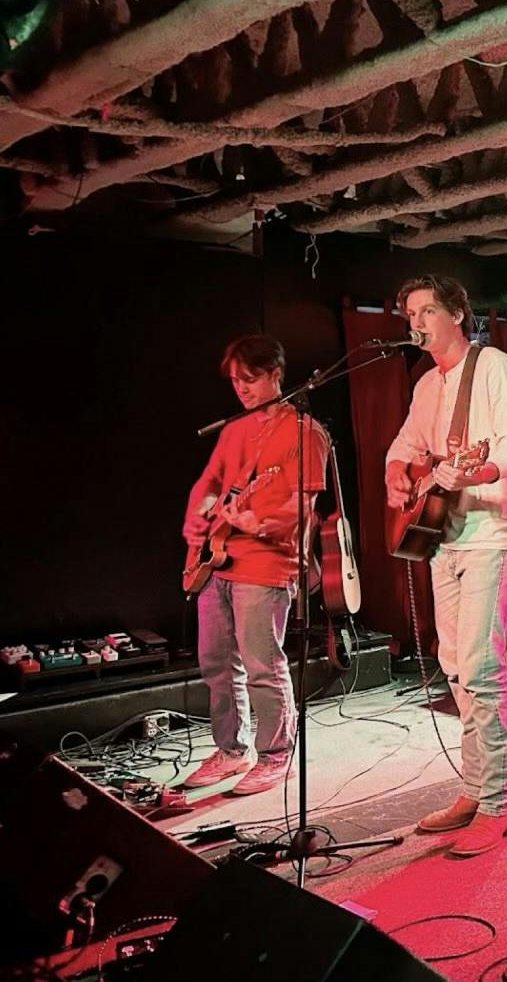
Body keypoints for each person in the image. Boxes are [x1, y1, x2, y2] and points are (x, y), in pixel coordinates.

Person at [384, 275, 507, 858]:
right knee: (453, 665)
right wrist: (398, 472)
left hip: (492, 534)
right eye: (408, 314)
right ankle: (475, 788)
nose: (414, 322)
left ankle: (500, 804)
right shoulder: (426, 385)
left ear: (455, 313)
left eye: (423, 310)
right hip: (443, 534)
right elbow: (403, 446)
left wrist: (479, 471)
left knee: (479, 663)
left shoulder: (493, 365)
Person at [182, 334, 330, 796]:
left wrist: (259, 521)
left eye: (250, 379)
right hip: (218, 561)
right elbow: (208, 483)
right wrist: (197, 520)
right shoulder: (233, 430)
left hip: (267, 564)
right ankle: (231, 749)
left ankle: (276, 753)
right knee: (215, 662)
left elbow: (302, 508)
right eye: (235, 382)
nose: (242, 389)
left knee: (262, 664)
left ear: (275, 374)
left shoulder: (305, 433)